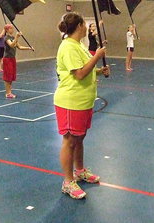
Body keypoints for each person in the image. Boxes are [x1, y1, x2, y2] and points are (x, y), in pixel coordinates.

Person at [54, 12, 110, 199]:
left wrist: (100, 71)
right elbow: (78, 74)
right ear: (79, 26)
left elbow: (87, 69)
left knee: (79, 138)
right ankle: (68, 182)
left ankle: (79, 171)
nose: (87, 27)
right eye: (85, 24)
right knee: (70, 141)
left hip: (84, 101)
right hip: (70, 101)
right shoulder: (68, 46)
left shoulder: (79, 46)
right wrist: (98, 56)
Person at [2, 23, 34, 98]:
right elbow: (11, 45)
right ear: (7, 30)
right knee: (7, 77)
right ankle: (8, 93)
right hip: (7, 59)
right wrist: (17, 37)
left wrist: (29, 48)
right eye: (10, 28)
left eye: (12, 28)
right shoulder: (6, 38)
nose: (12, 30)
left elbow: (19, 47)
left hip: (13, 59)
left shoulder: (13, 37)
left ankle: (9, 92)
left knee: (11, 76)